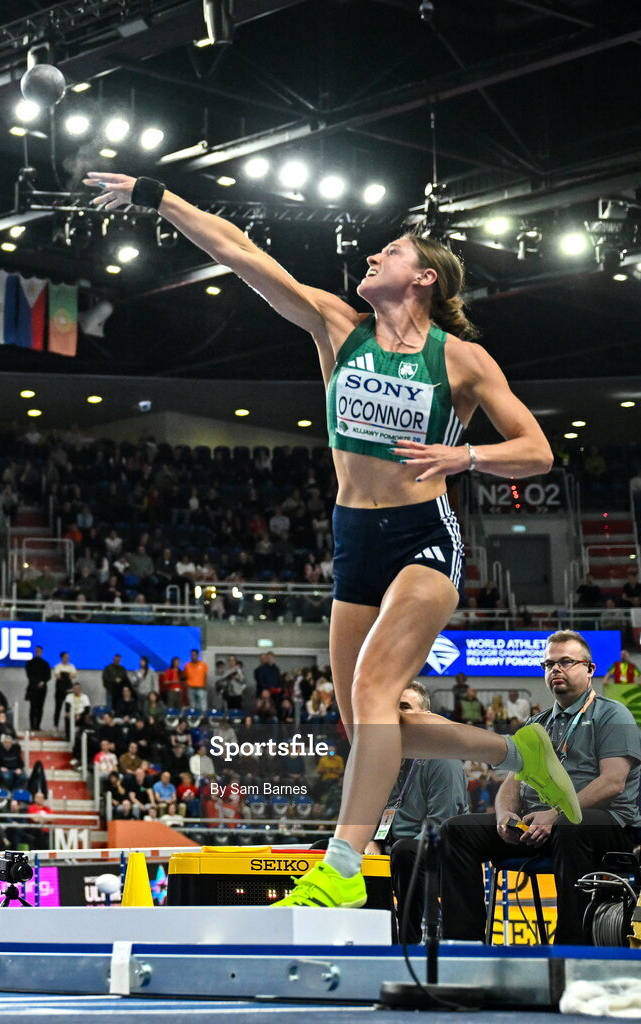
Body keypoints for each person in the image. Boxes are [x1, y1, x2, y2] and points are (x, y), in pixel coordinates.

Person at [84, 171, 580, 909]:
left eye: (388, 253)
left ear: (424, 278)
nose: (371, 260)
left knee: (378, 692)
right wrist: (157, 198)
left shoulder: (459, 361)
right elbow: (240, 252)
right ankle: (516, 750)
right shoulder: (334, 325)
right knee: (364, 725)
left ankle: (342, 867)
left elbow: (536, 449)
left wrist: (465, 456)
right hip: (353, 537)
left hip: (422, 535)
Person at [440, 630, 641, 945]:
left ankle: (571, 948)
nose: (555, 670)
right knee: (456, 830)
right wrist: (505, 816)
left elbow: (612, 783)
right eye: (548, 664)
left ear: (589, 669)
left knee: (571, 827)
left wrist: (555, 815)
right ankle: (464, 943)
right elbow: (512, 782)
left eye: (565, 662)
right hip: (542, 825)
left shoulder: (613, 715)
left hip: (605, 824)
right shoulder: (537, 725)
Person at [314, 682, 467, 943]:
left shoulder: (443, 760)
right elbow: (368, 814)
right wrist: (372, 841)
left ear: (426, 718)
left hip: (437, 856)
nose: (397, 716)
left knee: (404, 851)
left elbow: (443, 826)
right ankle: (329, 938)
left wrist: (389, 850)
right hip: (392, 850)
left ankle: (406, 943)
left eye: (405, 707)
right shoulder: (383, 759)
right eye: (392, 709)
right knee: (322, 848)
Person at [25, 645, 51, 732]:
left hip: (42, 689)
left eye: (39, 651)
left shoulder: (45, 663)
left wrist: (43, 682)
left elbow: (48, 676)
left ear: (41, 652)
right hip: (32, 688)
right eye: (37, 651)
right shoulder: (30, 663)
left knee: (40, 707)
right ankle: (32, 725)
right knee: (33, 707)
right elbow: (29, 675)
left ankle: (38, 726)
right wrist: (36, 683)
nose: (38, 652)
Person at [52, 652, 77, 730]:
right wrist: (66, 675)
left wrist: (65, 675)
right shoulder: (58, 666)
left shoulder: (71, 666)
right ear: (62, 658)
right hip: (60, 689)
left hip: (68, 689)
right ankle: (55, 726)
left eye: (68, 657)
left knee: (68, 709)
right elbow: (58, 676)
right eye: (65, 657)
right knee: (58, 708)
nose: (67, 658)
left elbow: (73, 675)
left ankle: (68, 727)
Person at [182, 648, 208, 714]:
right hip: (190, 688)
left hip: (201, 687)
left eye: (194, 655)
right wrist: (185, 683)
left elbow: (205, 675)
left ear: (197, 655)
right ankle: (194, 718)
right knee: (192, 705)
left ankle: (203, 717)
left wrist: (205, 684)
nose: (192, 656)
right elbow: (184, 676)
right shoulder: (187, 665)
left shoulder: (203, 665)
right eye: (191, 655)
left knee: (202, 704)